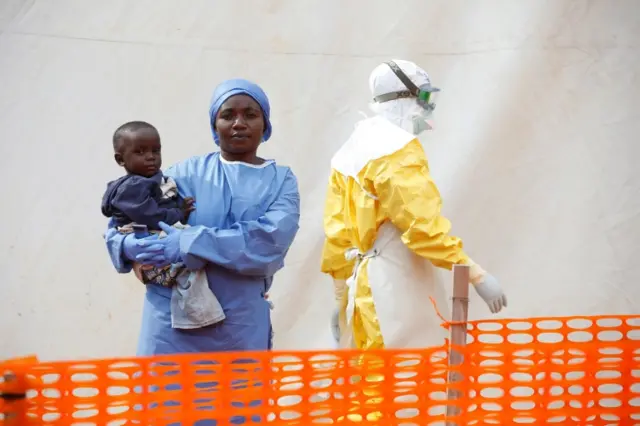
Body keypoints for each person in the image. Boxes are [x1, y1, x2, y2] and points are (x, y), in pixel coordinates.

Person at [103, 79, 301, 357]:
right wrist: (126, 248)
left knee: (239, 400)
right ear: (214, 125)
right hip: (170, 328)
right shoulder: (182, 174)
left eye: (250, 115)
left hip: (240, 326)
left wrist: (192, 241)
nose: (239, 123)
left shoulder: (281, 181)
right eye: (228, 115)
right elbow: (124, 215)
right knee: (166, 400)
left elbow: (268, 242)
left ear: (265, 124)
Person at [321, 59, 507, 351]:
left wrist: (342, 297)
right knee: (406, 378)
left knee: (374, 379)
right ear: (407, 99)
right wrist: (476, 274)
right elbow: (422, 229)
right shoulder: (397, 150)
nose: (429, 109)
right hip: (393, 287)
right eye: (425, 98)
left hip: (364, 289)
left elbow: (337, 237)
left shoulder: (349, 150)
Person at [101, 121, 225, 330]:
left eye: (155, 150)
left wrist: (176, 204)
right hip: (146, 233)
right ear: (120, 159)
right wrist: (178, 213)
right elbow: (149, 214)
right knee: (189, 266)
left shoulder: (149, 180)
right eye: (140, 152)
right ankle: (199, 314)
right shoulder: (134, 185)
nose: (150, 157)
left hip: (150, 230)